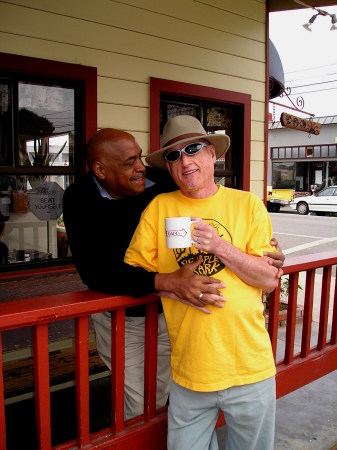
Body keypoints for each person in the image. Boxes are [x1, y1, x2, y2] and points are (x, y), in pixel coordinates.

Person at [124, 115, 281, 449]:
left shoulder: (247, 204)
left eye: (193, 149)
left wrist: (220, 246)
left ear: (212, 154)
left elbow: (268, 278)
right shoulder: (159, 208)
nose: (185, 160)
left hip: (249, 368)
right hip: (190, 371)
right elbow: (132, 272)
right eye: (173, 155)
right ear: (168, 167)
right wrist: (170, 282)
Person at [63, 128, 228, 420]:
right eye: (129, 163)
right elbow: (95, 272)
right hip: (120, 315)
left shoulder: (163, 182)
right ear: (100, 169)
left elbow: (211, 205)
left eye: (140, 157)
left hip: (169, 310)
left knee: (163, 391)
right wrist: (166, 281)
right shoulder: (80, 197)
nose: (141, 167)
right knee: (139, 402)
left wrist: (256, 252)